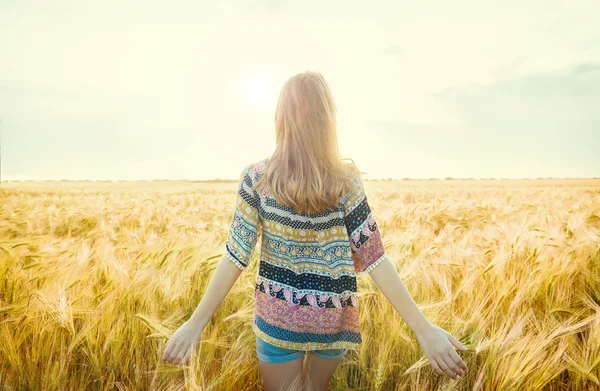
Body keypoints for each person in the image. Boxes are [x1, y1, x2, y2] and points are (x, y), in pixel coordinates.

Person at [161, 71, 469, 390]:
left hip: (278, 318)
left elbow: (235, 256)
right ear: (327, 118)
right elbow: (375, 258)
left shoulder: (257, 178)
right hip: (331, 319)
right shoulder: (346, 180)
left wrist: (195, 324)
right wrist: (423, 328)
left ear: (281, 116)